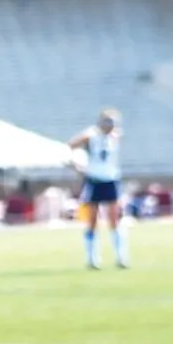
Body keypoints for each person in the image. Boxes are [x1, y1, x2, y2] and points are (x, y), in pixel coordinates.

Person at [67, 108, 129, 269]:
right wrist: (77, 164)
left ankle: (121, 257)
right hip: (94, 180)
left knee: (114, 220)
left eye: (113, 122)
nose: (111, 125)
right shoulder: (91, 135)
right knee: (92, 221)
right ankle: (92, 258)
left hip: (111, 179)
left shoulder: (116, 136)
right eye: (107, 121)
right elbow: (72, 144)